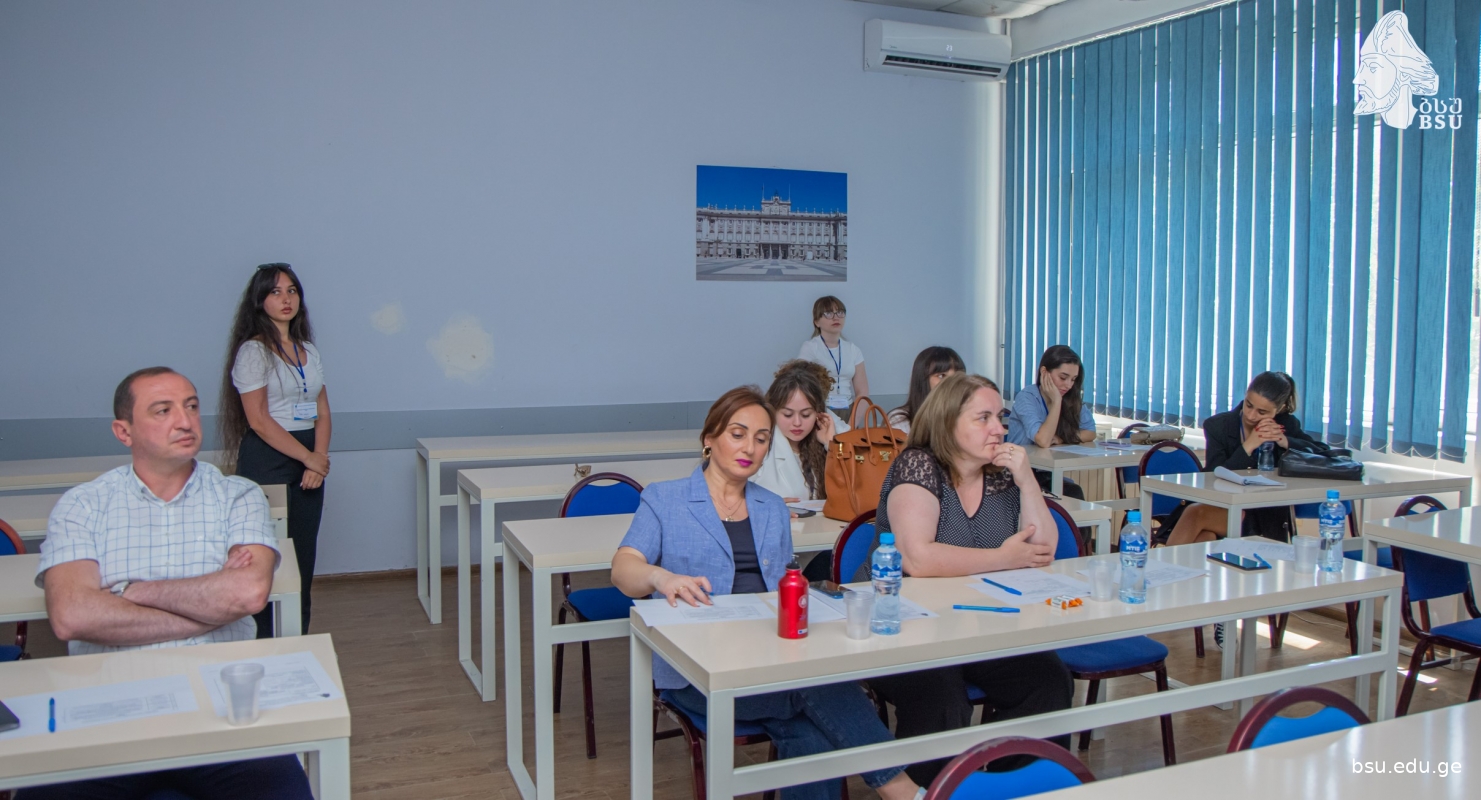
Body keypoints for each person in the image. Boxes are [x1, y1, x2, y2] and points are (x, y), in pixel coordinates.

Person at [611, 387, 921, 800]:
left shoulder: (772, 506)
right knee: (819, 684)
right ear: (709, 438)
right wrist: (659, 577)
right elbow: (623, 569)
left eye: (761, 439)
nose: (750, 448)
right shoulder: (665, 499)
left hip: (769, 657)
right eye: (738, 434)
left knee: (811, 739)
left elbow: (782, 591)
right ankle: (903, 790)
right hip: (699, 669)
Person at [22, 367, 312, 799]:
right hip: (107, 716)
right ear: (124, 431)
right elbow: (72, 616)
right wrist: (210, 608)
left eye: (191, 406)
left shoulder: (238, 496)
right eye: (163, 410)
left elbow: (248, 593)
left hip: (222, 712)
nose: (184, 420)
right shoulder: (83, 505)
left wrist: (131, 592)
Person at [856, 373, 1073, 786]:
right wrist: (1003, 558)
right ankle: (932, 794)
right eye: (983, 418)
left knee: (1047, 680)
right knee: (942, 699)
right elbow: (917, 558)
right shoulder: (918, 465)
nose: (999, 429)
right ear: (947, 422)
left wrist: (1028, 480)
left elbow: (1042, 550)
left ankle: (1013, 788)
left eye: (1000, 417)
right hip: (899, 630)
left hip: (976, 626)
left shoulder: (1001, 475)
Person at [218, 263, 330, 637]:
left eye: (292, 290)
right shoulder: (253, 352)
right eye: (276, 292)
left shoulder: (308, 350)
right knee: (265, 556)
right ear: (259, 301)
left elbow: (323, 411)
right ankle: (262, 641)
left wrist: (319, 459)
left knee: (303, 555)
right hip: (268, 458)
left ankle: (297, 639)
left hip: (309, 459)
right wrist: (308, 457)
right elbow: (260, 421)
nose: (286, 299)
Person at [1163, 372, 1319, 546]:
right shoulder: (1218, 426)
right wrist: (1248, 446)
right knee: (1203, 531)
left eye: (1262, 412)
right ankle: (1166, 563)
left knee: (1200, 523)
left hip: (1263, 513)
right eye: (1249, 405)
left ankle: (1160, 563)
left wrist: (1285, 441)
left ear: (1279, 409)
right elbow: (1212, 476)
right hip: (1221, 504)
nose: (1251, 415)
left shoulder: (1286, 425)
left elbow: (1323, 453)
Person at [755, 360, 847, 581]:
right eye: (787, 415)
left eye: (806, 415)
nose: (797, 423)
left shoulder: (821, 444)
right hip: (777, 553)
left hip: (819, 546)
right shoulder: (760, 446)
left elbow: (848, 493)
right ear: (773, 412)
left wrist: (830, 445)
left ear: (819, 414)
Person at [1005, 345, 1095, 501]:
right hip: (1018, 474)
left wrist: (1061, 438)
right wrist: (1056, 401)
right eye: (1063, 377)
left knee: (1073, 493)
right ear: (1044, 372)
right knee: (1069, 494)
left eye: (1073, 379)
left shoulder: (1070, 398)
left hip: (1046, 472)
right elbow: (1043, 440)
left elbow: (1090, 432)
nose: (1068, 385)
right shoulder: (1027, 397)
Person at [798, 296, 868, 422]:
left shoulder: (853, 349)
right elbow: (801, 386)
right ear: (817, 322)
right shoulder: (810, 348)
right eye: (829, 313)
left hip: (849, 410)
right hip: (821, 411)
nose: (836, 317)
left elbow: (862, 391)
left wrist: (852, 423)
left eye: (840, 312)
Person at [888, 346, 966, 434]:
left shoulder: (967, 416)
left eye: (957, 376)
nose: (952, 382)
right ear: (922, 380)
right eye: (941, 376)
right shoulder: (900, 420)